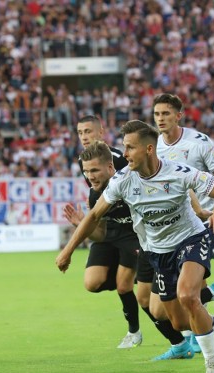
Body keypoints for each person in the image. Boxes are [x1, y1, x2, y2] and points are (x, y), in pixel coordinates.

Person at [56, 123, 214, 373]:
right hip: (157, 251)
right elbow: (94, 216)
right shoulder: (122, 182)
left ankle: (213, 366)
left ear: (148, 149)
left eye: (129, 147)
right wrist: (68, 250)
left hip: (191, 238)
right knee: (178, 321)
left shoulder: (179, 173)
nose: (124, 153)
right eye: (123, 146)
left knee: (188, 295)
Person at [151, 93, 214, 355]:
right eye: (157, 114)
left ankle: (197, 344)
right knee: (165, 306)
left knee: (186, 294)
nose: (161, 119)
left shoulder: (199, 142)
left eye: (166, 113)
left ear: (178, 115)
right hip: (171, 227)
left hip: (203, 224)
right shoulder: (153, 146)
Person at [66, 115, 142, 349]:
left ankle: (134, 332)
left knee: (123, 285)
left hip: (130, 228)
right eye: (80, 132)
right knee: (92, 282)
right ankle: (138, 275)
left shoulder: (119, 159)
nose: (84, 136)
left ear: (101, 133)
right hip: (108, 226)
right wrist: (86, 221)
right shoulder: (83, 160)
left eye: (88, 131)